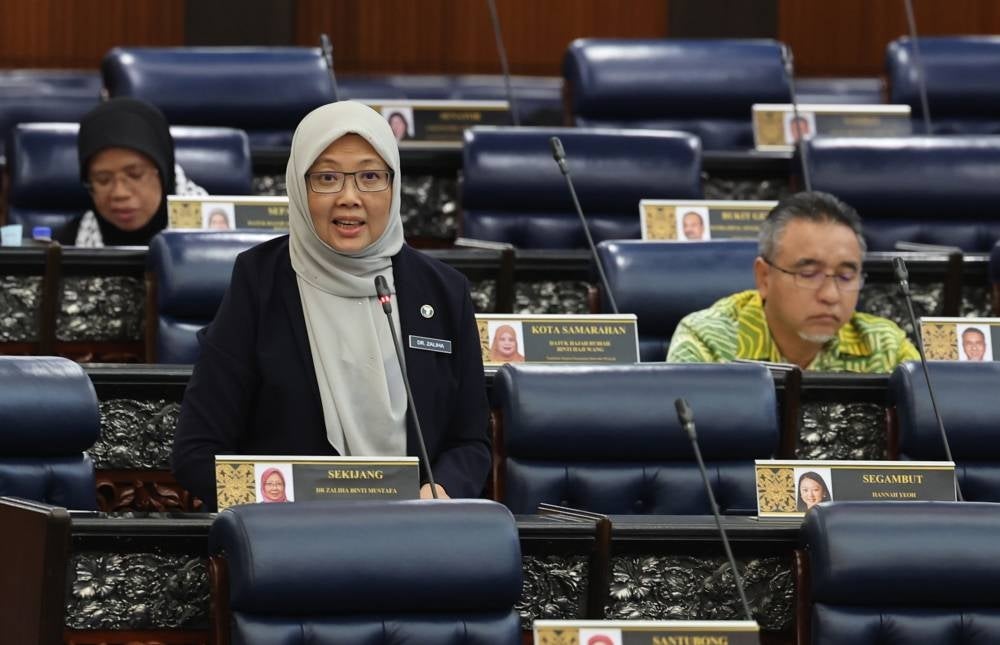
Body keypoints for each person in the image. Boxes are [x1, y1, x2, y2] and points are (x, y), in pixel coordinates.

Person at [171, 101, 489, 510]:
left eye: (371, 176)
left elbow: (470, 442)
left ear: (394, 185)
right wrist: (285, 501)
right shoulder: (258, 283)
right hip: (296, 541)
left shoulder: (444, 292)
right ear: (298, 187)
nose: (349, 197)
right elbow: (197, 452)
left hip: (416, 535)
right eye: (327, 177)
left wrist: (442, 489)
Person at [667, 191, 919, 371]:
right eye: (808, 274)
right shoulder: (708, 342)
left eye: (845, 276)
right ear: (764, 277)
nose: (830, 295)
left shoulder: (885, 347)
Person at [60, 97, 206, 247]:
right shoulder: (68, 245)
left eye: (135, 175)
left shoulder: (214, 232)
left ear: (164, 174)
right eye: (103, 180)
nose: (119, 193)